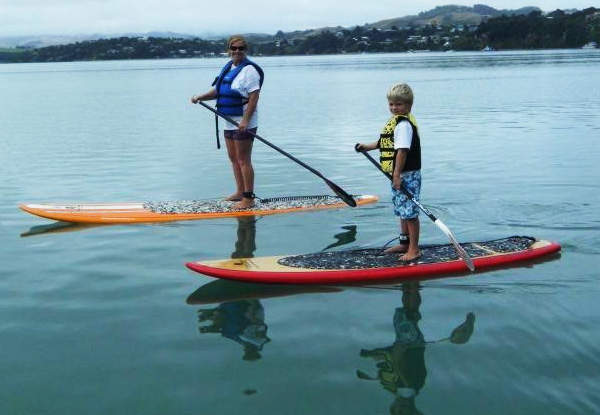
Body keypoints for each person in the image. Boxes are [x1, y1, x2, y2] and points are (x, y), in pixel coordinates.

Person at [191, 35, 264, 209]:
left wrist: (246, 120)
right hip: (229, 120)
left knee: (243, 159)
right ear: (229, 49)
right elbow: (217, 92)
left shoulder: (250, 71)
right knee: (233, 157)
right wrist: (199, 97)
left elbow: (254, 97)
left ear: (246, 50)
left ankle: (249, 198)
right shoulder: (229, 68)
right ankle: (239, 191)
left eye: (241, 48)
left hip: (244, 121)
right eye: (234, 48)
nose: (237, 51)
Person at [355, 83, 422, 262]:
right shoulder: (394, 123)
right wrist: (366, 147)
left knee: (410, 212)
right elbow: (382, 143)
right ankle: (404, 243)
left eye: (398, 104)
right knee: (402, 210)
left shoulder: (404, 125)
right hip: (398, 174)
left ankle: (414, 249)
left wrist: (397, 175)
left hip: (406, 175)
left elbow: (402, 151)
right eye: (391, 104)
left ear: (408, 106)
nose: (394, 108)